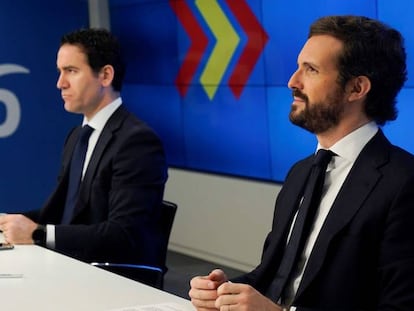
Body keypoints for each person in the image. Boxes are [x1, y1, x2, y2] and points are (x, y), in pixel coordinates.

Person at [189, 15, 414, 311]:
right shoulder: (301, 172)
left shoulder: (404, 182)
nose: (292, 81)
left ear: (356, 88)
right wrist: (224, 291)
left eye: (311, 70)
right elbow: (274, 277)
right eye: (299, 67)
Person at [0, 28, 168, 267]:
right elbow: (61, 213)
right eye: (59, 72)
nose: (60, 83)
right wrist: (8, 221)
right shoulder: (77, 136)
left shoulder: (137, 142)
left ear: (106, 76)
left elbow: (123, 235)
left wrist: (37, 233)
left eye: (71, 71)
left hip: (113, 277)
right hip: (73, 263)